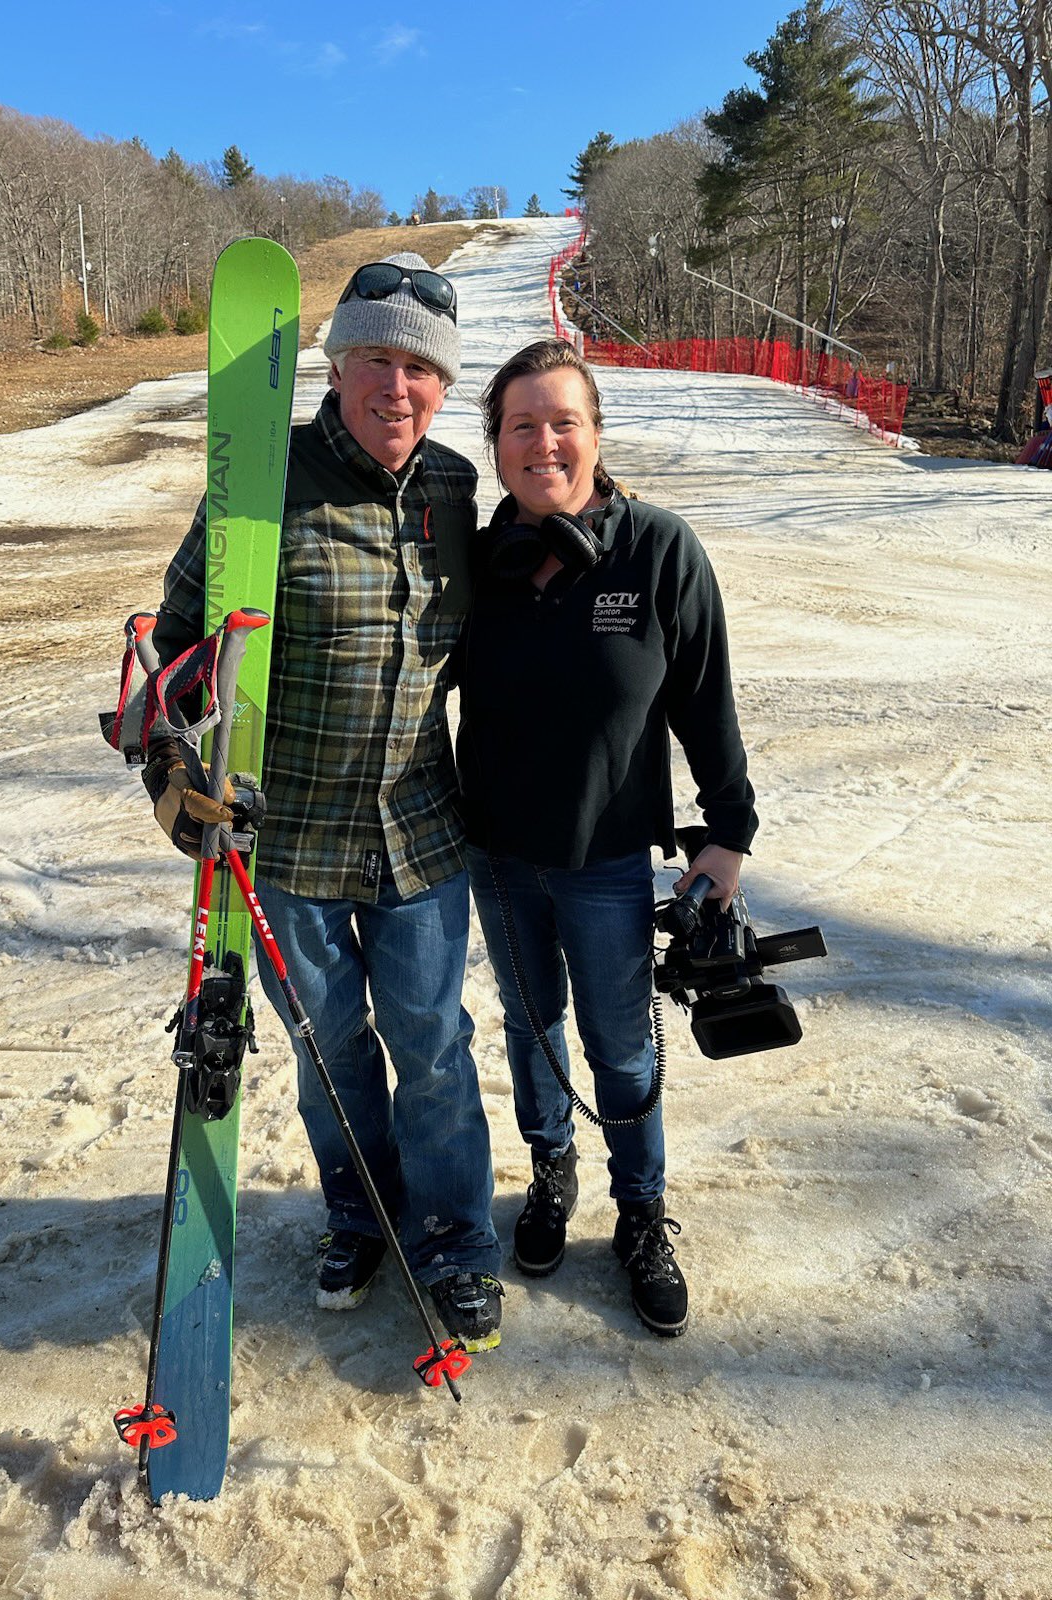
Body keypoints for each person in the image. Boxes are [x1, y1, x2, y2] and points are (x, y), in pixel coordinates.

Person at [148, 254, 504, 1351]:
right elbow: (170, 650)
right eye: (376, 361)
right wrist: (170, 761)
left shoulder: (455, 489)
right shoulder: (263, 485)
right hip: (288, 843)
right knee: (330, 1050)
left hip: (421, 834)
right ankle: (359, 1212)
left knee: (434, 1044)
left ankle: (453, 1239)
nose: (397, 387)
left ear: (444, 387)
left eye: (421, 369)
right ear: (337, 363)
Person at [455, 338, 758, 1337]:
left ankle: (640, 1213)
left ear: (594, 433)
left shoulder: (658, 550)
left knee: (621, 1045)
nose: (543, 442)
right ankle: (551, 1171)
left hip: (610, 862)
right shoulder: (476, 565)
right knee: (531, 1028)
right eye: (521, 425)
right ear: (496, 446)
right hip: (498, 856)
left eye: (562, 421)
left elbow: (706, 700)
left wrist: (728, 831)